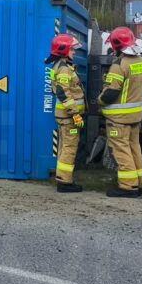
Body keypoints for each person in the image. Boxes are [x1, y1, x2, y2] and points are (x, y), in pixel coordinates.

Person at [99, 27, 142, 197]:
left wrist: (99, 100)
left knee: (121, 150)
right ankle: (138, 183)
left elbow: (110, 93)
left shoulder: (119, 65)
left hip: (118, 119)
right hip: (135, 116)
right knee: (135, 148)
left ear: (116, 44)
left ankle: (128, 186)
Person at [45, 34, 87, 193]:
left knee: (64, 147)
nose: (74, 52)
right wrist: (75, 114)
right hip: (69, 117)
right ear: (63, 50)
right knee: (69, 147)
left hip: (65, 116)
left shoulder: (61, 66)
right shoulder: (63, 68)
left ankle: (62, 178)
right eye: (71, 49)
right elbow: (63, 93)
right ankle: (65, 182)